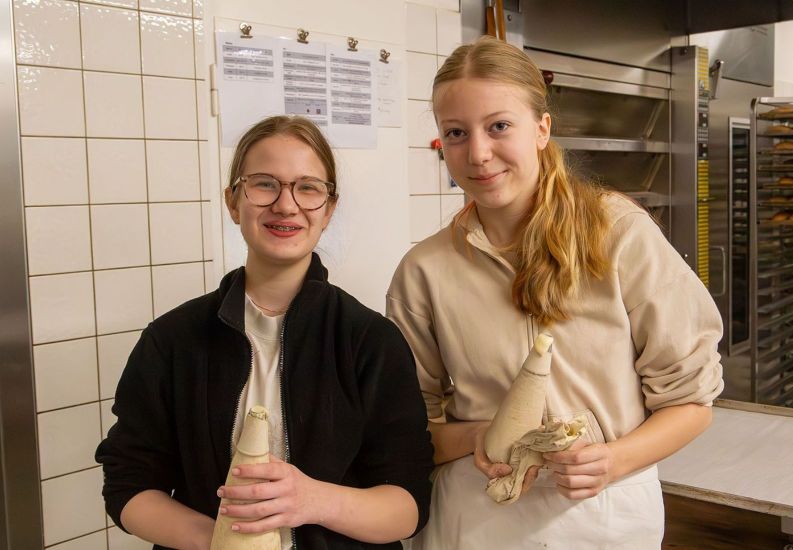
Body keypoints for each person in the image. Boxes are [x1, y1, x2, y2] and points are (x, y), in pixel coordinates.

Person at [387, 36, 724, 549]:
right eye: (456, 133)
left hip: (602, 517)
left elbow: (692, 403)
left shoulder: (620, 235)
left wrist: (613, 461)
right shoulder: (425, 270)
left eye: (499, 126)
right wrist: (479, 436)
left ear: (542, 128)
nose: (478, 153)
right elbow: (408, 427)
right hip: (477, 521)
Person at [96, 115, 434, 550]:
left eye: (308, 188)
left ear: (329, 210)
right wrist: (221, 541)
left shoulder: (370, 341)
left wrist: (313, 501)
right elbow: (128, 483)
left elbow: (408, 505)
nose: (286, 205)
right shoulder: (172, 340)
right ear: (233, 202)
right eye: (264, 184)